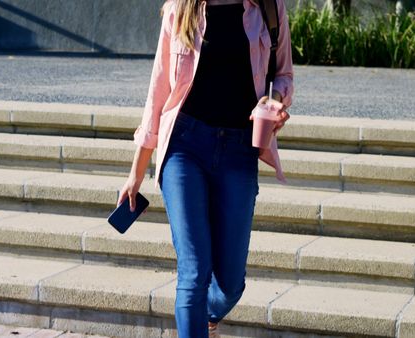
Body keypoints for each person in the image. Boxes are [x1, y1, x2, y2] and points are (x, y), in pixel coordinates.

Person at [117, 0, 293, 337]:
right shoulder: (180, 9)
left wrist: (276, 103)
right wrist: (136, 171)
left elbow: (283, 75)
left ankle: (205, 320)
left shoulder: (269, 8)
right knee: (194, 272)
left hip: (240, 150)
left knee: (229, 285)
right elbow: (158, 91)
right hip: (184, 146)